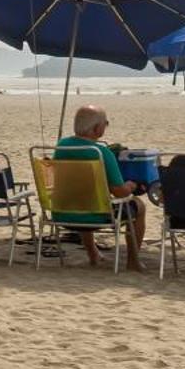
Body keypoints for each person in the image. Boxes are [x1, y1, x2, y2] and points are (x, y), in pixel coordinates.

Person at [54, 105, 145, 270]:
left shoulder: (61, 146)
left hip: (62, 212)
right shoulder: (101, 152)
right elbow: (119, 192)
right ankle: (133, 261)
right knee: (139, 206)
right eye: (106, 123)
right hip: (95, 216)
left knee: (85, 197)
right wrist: (131, 185)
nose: (106, 126)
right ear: (97, 128)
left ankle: (93, 254)